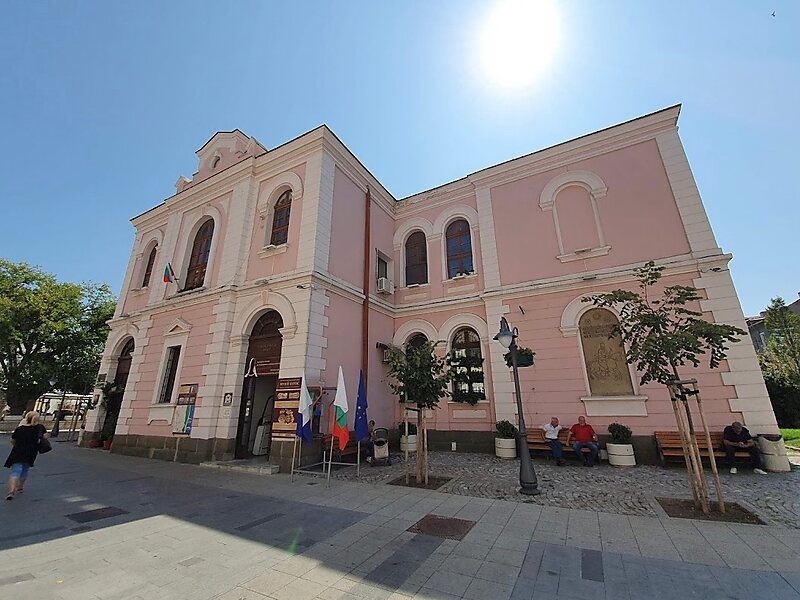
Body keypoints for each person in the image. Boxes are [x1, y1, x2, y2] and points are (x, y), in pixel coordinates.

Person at [5, 411, 48, 500]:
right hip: (31, 452)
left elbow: (13, 440)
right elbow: (46, 437)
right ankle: (20, 487)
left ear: (26, 418)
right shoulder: (40, 428)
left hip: (18, 451)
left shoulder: (20, 429)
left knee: (15, 471)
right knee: (25, 470)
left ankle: (11, 491)